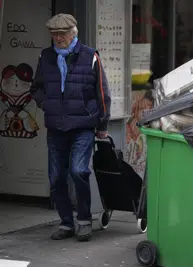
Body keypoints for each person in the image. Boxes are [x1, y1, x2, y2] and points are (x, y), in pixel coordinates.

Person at [30, 14, 111, 242]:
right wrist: (47, 104)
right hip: (56, 127)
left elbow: (103, 93)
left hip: (83, 126)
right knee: (55, 178)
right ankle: (66, 222)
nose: (57, 38)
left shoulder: (90, 56)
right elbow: (35, 88)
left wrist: (102, 124)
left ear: (73, 33)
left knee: (78, 171)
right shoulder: (45, 56)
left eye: (62, 34)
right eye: (54, 34)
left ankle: (84, 220)